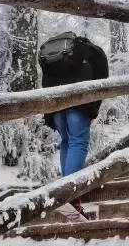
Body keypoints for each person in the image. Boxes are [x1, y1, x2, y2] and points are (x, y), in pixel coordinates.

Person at [39, 31, 109, 219]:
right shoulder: (90, 51)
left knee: (66, 142)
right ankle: (71, 197)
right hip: (79, 104)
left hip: (56, 106)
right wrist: (93, 107)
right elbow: (103, 78)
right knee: (78, 142)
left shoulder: (53, 56)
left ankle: (66, 193)